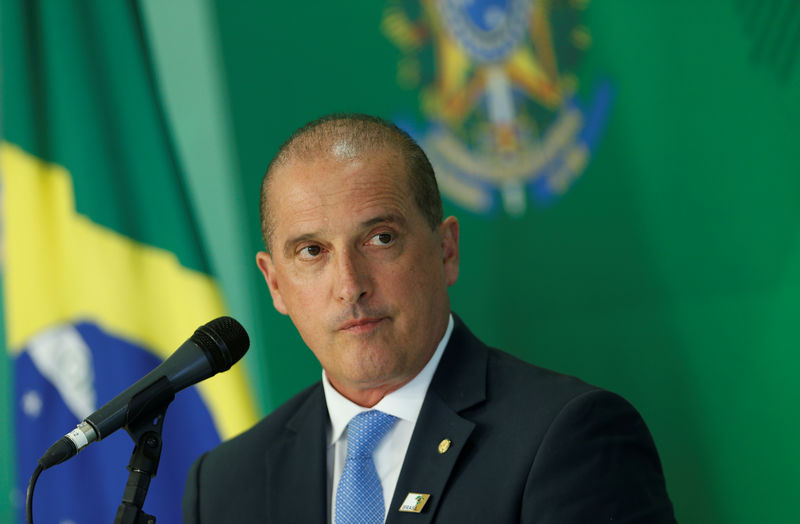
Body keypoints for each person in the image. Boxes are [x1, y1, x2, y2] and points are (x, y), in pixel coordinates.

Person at [182, 114, 676, 523]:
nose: (350, 285)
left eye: (381, 238)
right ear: (275, 284)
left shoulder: (569, 437)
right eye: (312, 251)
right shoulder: (225, 484)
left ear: (446, 250)